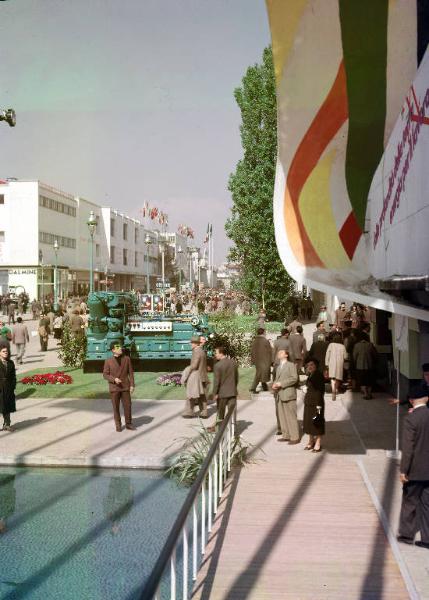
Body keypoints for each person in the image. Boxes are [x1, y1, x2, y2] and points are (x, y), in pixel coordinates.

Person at [397, 385, 429, 549]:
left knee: (410, 503)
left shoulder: (411, 419)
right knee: (427, 504)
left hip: (415, 470)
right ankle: (427, 538)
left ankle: (406, 535)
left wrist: (403, 470)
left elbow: (408, 448)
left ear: (411, 400)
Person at [103, 342, 136, 432]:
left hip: (125, 387)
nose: (120, 349)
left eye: (120, 347)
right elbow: (105, 375)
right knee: (116, 407)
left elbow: (131, 373)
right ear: (113, 350)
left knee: (128, 406)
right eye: (118, 347)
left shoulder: (127, 359)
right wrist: (114, 379)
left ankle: (129, 424)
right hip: (114, 388)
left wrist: (132, 385)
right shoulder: (108, 361)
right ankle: (118, 424)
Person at [272, 349, 300, 444]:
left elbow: (294, 378)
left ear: (286, 355)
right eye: (278, 352)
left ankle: (295, 437)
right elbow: (277, 379)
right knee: (282, 416)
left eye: (281, 352)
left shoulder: (291, 365)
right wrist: (274, 385)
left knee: (291, 416)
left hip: (288, 394)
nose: (279, 353)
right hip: (279, 394)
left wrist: (281, 384)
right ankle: (286, 435)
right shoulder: (278, 367)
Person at [182, 335, 208, 418]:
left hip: (196, 377)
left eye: (192, 343)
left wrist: (187, 371)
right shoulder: (202, 351)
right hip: (203, 376)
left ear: (196, 343)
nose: (191, 344)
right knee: (202, 396)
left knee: (191, 395)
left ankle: (188, 412)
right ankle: (204, 413)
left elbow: (194, 365)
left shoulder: (196, 351)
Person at [211, 345, 238, 425]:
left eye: (216, 353)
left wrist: (215, 393)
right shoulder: (233, 363)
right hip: (232, 392)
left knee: (221, 414)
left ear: (221, 353)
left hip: (222, 394)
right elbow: (236, 378)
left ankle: (220, 428)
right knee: (232, 412)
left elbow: (216, 382)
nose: (215, 355)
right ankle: (233, 428)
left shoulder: (217, 366)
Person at [302, 358, 325, 452]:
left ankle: (318, 443)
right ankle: (311, 441)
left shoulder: (318, 375)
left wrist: (319, 405)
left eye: (312, 365)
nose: (309, 367)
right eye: (308, 365)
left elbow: (320, 391)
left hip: (317, 403)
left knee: (317, 422)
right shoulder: (311, 375)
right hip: (309, 403)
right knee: (309, 422)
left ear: (316, 365)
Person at [353, 333, 377, 399]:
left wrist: (354, 363)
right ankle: (369, 393)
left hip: (359, 366)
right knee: (369, 381)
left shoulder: (357, 345)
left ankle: (365, 394)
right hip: (369, 366)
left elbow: (354, 356)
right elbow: (375, 355)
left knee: (362, 381)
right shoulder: (370, 345)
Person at [325, 333, 347, 400]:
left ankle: (333, 390)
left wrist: (326, 363)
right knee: (338, 377)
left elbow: (327, 354)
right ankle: (336, 388)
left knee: (332, 377)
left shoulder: (331, 345)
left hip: (332, 363)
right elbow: (345, 356)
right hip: (339, 363)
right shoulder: (342, 346)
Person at [0, 342, 16, 432]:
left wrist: (13, 386)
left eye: (6, 351)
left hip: (8, 387)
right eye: (3, 351)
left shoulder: (10, 363)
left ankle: (7, 424)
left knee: (7, 406)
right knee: (1, 406)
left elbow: (13, 376)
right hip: (0, 387)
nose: (5, 353)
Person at [250, 328, 272, 393]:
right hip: (265, 361)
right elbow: (270, 351)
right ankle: (253, 388)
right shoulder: (265, 341)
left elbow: (252, 352)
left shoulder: (254, 341)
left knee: (261, 373)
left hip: (257, 361)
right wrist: (271, 361)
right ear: (263, 333)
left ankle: (264, 386)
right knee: (260, 374)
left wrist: (253, 361)